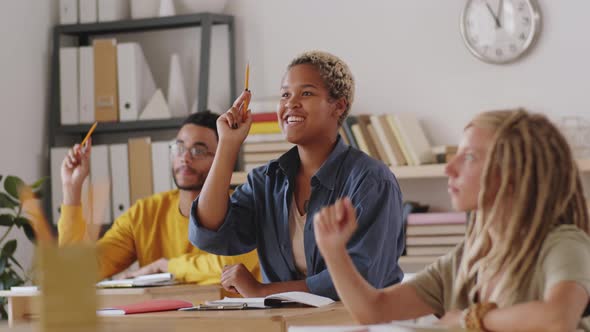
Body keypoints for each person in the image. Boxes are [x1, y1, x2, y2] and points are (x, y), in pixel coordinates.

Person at [313, 109, 590, 331]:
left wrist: (467, 320)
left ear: (514, 173)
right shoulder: (469, 257)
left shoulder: (563, 244)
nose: (449, 168)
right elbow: (374, 310)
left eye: (469, 157)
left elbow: (557, 320)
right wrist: (334, 251)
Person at [189, 51, 405, 300]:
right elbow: (210, 234)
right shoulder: (265, 181)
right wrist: (227, 145)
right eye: (285, 94)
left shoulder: (372, 181)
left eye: (307, 93)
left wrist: (264, 291)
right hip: (287, 325)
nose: (290, 103)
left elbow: (362, 277)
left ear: (339, 106)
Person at [58, 111, 260, 283]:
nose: (185, 157)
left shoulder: (242, 208)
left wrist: (166, 267)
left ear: (222, 159)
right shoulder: (145, 213)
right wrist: (71, 189)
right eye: (179, 147)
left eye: (199, 150)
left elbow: (232, 265)